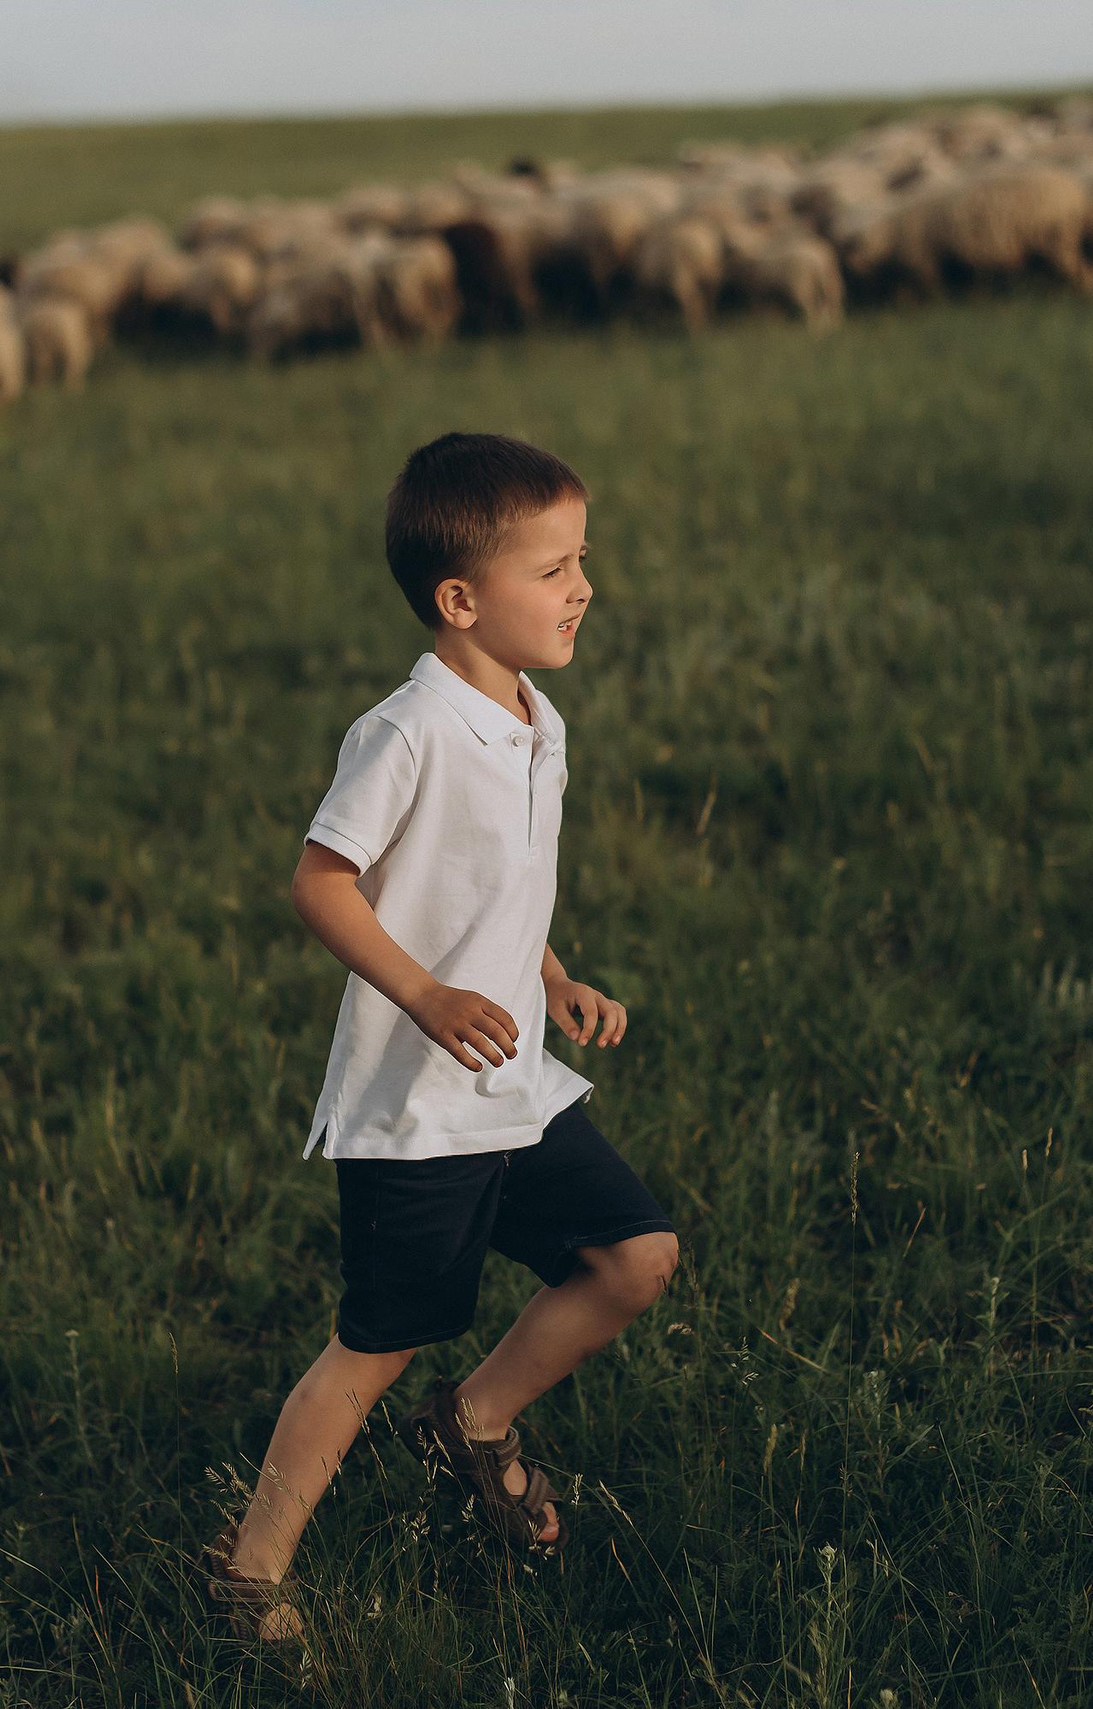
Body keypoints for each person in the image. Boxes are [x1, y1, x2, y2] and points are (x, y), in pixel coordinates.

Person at [201, 431, 681, 1645]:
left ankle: (473, 1424)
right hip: (419, 1107)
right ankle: (250, 1570)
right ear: (460, 600)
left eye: (585, 559)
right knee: (377, 1341)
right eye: (556, 568)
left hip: (513, 1082)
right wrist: (425, 996)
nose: (585, 587)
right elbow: (321, 884)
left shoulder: (535, 715)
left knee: (635, 1255)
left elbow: (495, 887)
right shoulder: (406, 729)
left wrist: (554, 976)